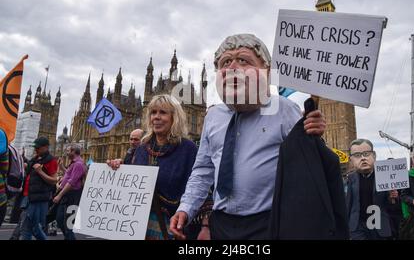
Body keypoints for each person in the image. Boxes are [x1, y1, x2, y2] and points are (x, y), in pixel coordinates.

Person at [170, 33, 326, 240]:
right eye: (225, 62)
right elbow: (203, 170)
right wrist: (187, 207)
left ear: (267, 72)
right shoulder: (214, 116)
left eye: (243, 60)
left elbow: (310, 167)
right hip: (222, 222)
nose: (232, 68)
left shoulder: (284, 110)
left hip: (270, 223)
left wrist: (314, 135)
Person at [108, 94, 198, 240]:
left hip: (173, 228)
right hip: (137, 227)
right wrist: (118, 169)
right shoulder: (142, 148)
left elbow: (199, 188)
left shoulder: (188, 149)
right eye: (153, 113)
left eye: (163, 112)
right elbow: (132, 186)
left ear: (175, 117)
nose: (156, 117)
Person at [346, 138, 396, 240]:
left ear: (374, 155)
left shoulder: (385, 175)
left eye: (366, 153)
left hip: (379, 225)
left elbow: (392, 205)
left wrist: (392, 198)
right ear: (351, 159)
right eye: (357, 155)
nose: (363, 158)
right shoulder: (350, 178)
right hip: (357, 226)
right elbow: (348, 204)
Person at [20, 137, 57, 240]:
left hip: (38, 199)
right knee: (33, 228)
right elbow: (28, 169)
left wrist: (40, 172)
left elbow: (54, 180)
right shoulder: (36, 158)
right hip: (28, 196)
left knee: (27, 228)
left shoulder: (51, 160)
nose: (36, 149)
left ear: (45, 147)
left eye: (38, 147)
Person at [53, 144, 86, 240]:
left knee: (68, 226)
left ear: (73, 152)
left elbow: (72, 182)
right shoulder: (73, 163)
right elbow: (69, 173)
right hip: (66, 196)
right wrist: (61, 166)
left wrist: (59, 195)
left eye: (68, 151)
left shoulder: (79, 164)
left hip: (73, 197)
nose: (66, 152)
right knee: (59, 220)